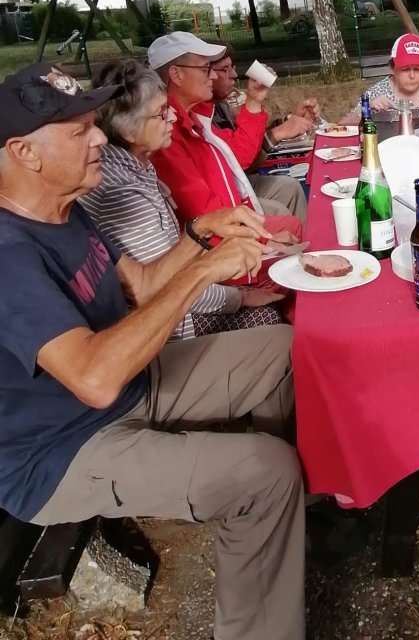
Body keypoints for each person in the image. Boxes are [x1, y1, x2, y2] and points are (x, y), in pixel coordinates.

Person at [0, 63, 304, 640]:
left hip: (131, 383)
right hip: (64, 450)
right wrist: (204, 271)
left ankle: (276, 521)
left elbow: (140, 284)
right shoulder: (9, 255)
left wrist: (198, 234)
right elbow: (93, 378)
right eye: (79, 131)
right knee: (265, 473)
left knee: (285, 347)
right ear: (24, 152)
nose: (99, 137)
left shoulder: (66, 209)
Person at [81, 59, 287, 338]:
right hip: (170, 327)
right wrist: (239, 295)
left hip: (181, 299)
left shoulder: (135, 164)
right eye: (161, 113)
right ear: (127, 130)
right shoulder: (123, 190)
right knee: (270, 319)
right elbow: (169, 288)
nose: (172, 118)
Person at [146, 33, 303, 245]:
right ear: (176, 74)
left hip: (230, 222)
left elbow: (239, 155)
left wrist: (255, 101)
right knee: (290, 226)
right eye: (205, 69)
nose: (213, 76)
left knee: (290, 219)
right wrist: (264, 241)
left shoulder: (195, 118)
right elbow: (206, 216)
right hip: (220, 245)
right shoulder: (168, 135)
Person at [207, 48, 312, 223]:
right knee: (278, 211)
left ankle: (307, 239)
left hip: (238, 183)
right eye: (225, 69)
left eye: (233, 67)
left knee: (290, 187)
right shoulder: (200, 116)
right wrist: (278, 133)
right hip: (225, 196)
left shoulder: (220, 106)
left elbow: (247, 140)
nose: (234, 75)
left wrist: (288, 121)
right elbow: (241, 161)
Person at [346, 33, 419, 116]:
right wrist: (368, 107)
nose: (412, 75)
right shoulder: (377, 92)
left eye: (418, 69)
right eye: (405, 69)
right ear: (392, 68)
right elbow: (346, 125)